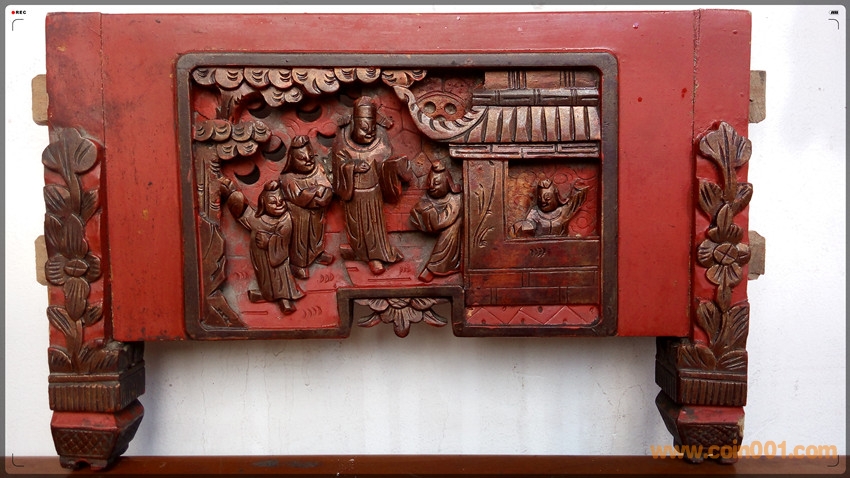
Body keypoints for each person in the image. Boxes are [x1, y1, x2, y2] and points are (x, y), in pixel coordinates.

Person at [332, 96, 407, 275]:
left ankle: (377, 256)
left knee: (374, 227)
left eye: (372, 129)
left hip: (373, 193)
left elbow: (385, 161)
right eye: (364, 129)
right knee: (356, 227)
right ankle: (361, 253)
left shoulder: (380, 141)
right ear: (353, 125)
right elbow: (338, 165)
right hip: (353, 195)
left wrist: (394, 168)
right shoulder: (343, 140)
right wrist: (352, 166)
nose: (369, 133)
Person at [220, 178, 303, 314]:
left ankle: (284, 299)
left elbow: (283, 238)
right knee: (264, 277)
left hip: (277, 254)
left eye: (281, 201)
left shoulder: (285, 219)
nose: (279, 204)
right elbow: (245, 216)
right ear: (264, 204)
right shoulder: (260, 219)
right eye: (273, 202)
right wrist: (233, 195)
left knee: (280, 276)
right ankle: (267, 293)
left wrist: (269, 242)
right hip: (260, 256)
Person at [279, 135, 334, 279]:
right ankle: (299, 264)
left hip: (317, 213)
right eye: (302, 159)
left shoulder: (318, 169)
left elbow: (327, 187)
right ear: (293, 160)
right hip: (299, 215)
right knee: (301, 240)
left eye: (310, 157)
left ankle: (317, 254)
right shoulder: (288, 178)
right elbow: (298, 197)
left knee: (316, 236)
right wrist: (315, 191)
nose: (308, 161)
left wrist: (324, 198)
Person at [409, 162, 463, 282]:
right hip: (432, 229)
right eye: (429, 183)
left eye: (437, 183)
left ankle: (434, 268)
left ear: (447, 183)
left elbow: (442, 222)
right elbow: (415, 216)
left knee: (451, 230)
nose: (431, 186)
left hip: (451, 236)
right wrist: (420, 211)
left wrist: (429, 210)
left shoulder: (455, 199)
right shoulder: (428, 199)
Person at [512, 178, 588, 237]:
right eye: (539, 198)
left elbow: (577, 198)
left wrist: (579, 187)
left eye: (547, 198)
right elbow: (529, 223)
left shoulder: (564, 211)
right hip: (540, 247)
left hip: (562, 245)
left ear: (555, 196)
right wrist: (522, 226)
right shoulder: (535, 212)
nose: (543, 201)